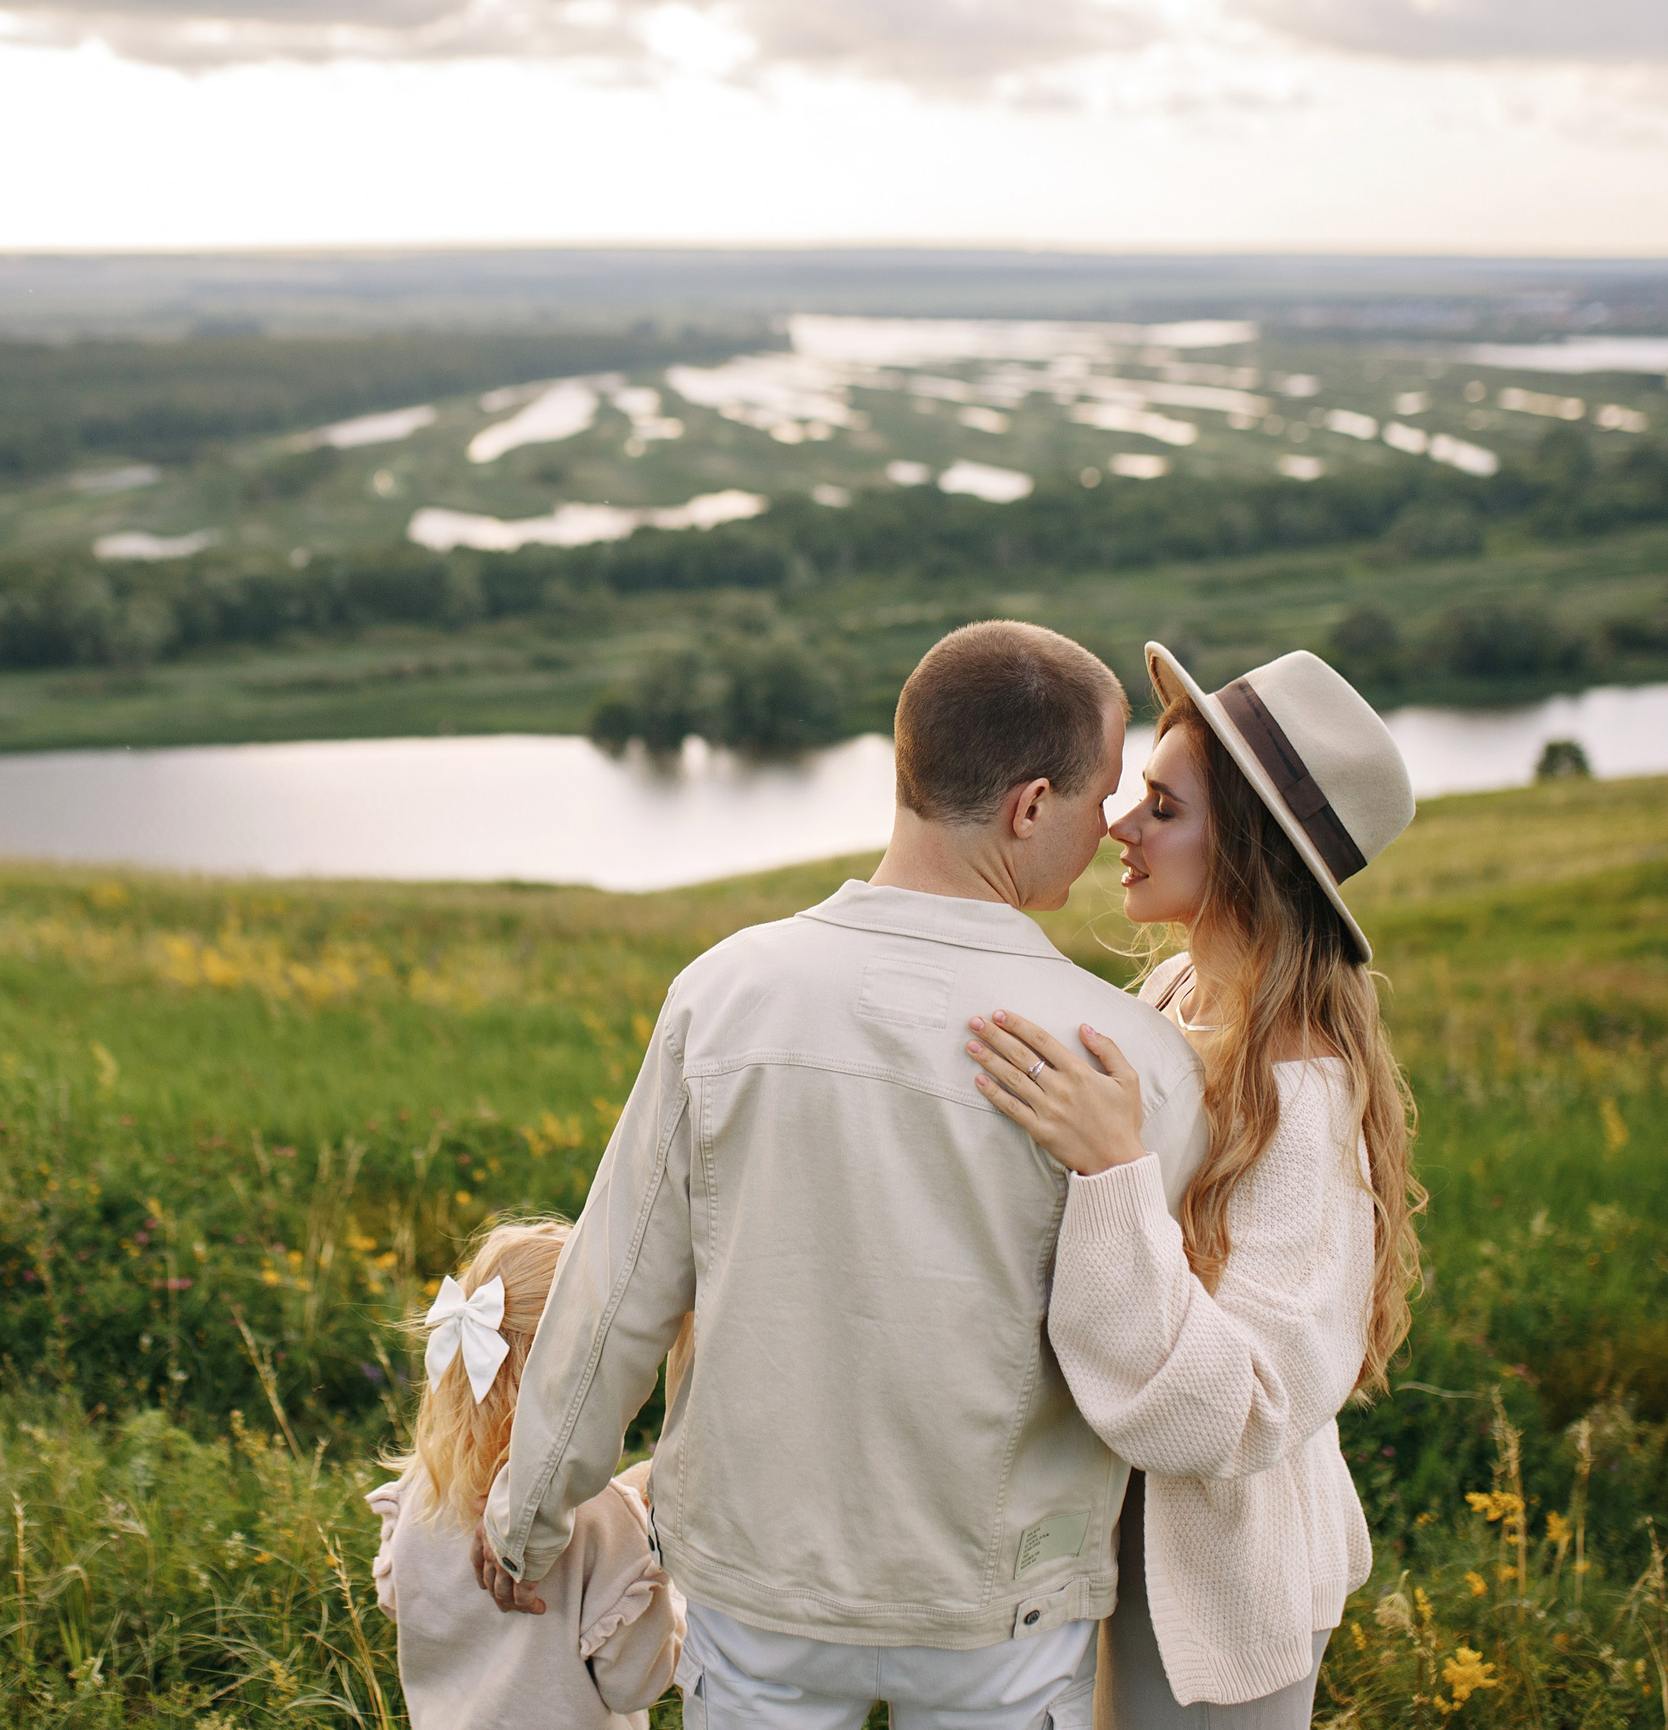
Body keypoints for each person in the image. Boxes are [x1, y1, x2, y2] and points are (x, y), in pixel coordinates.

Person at [476, 621, 1211, 1730]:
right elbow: (1141, 1342)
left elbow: (618, 1290)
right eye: (1101, 791)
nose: (1111, 821)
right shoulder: (1135, 1062)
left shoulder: (724, 993)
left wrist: (527, 1515)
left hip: (758, 1586)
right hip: (998, 1605)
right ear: (1028, 805)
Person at [965, 643, 1425, 1727]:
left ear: (1250, 854)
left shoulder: (1299, 1094)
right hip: (1127, 1549)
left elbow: (1242, 1407)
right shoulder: (1181, 990)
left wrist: (1116, 1170)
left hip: (1218, 1590)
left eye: (1161, 807)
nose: (1120, 825)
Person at [370, 1217, 686, 1730]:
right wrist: (675, 1596)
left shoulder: (422, 1490)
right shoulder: (605, 1523)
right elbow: (635, 1683)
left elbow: (398, 1602)